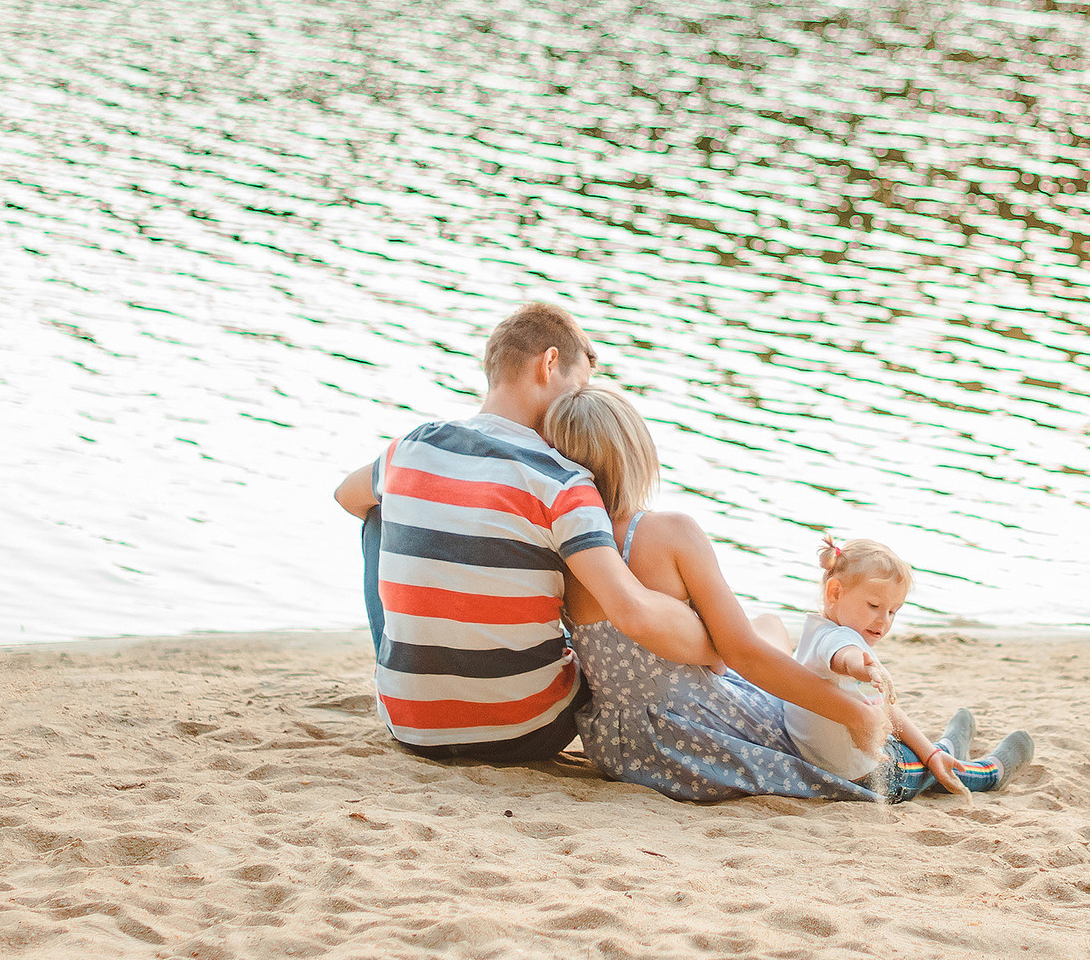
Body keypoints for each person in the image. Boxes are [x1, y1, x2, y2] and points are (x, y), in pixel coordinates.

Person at [330, 303, 879, 766]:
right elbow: (635, 614)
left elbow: (347, 496)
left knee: (380, 514)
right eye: (580, 384)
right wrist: (725, 641)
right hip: (524, 729)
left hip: (411, 727)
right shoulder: (562, 481)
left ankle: (416, 670)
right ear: (550, 364)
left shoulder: (414, 446)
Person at [542, 385, 1020, 803]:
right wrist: (851, 714)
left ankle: (942, 742)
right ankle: (955, 755)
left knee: (780, 649)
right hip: (692, 734)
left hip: (619, 744)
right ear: (636, 453)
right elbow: (744, 654)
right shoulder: (671, 533)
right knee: (859, 752)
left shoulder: (560, 548)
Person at [785, 535, 1032, 797]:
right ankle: (989, 774)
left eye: (893, 611)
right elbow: (844, 657)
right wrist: (863, 666)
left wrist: (930, 751)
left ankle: (943, 749)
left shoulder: (815, 628)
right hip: (865, 774)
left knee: (923, 750)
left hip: (830, 759)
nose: (883, 621)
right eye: (874, 606)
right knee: (925, 770)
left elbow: (886, 709)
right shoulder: (842, 640)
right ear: (835, 592)